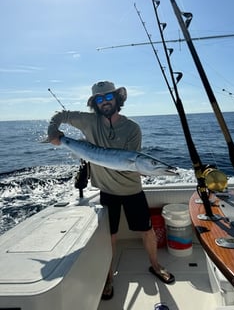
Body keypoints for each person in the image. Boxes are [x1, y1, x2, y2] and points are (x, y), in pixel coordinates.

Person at [47, 81, 175, 300]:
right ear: (95, 103)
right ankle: (108, 277)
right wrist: (53, 131)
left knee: (147, 230)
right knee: (109, 237)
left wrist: (149, 170)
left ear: (117, 98)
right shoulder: (88, 121)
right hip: (106, 191)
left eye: (108, 97)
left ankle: (155, 265)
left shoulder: (132, 128)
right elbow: (60, 115)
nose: (104, 101)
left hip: (132, 190)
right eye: (99, 99)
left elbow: (133, 162)